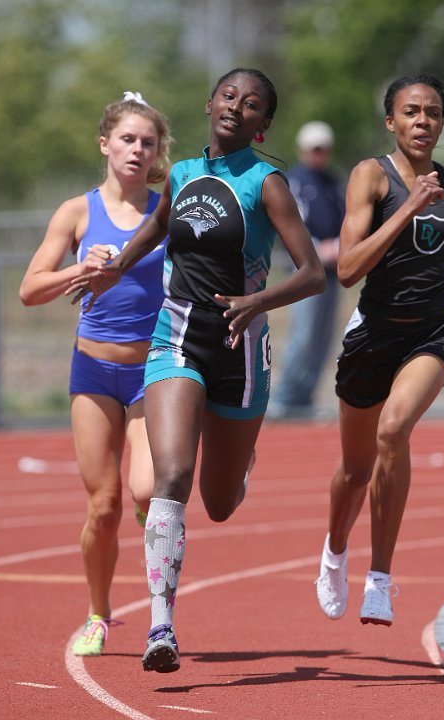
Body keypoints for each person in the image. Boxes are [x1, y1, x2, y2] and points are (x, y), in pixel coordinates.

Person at [67, 67, 326, 672]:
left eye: (252, 104)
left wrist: (257, 302)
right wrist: (115, 266)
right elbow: (158, 226)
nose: (237, 107)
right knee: (172, 473)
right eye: (229, 96)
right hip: (176, 336)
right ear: (210, 103)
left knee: (219, 502)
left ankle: (240, 463)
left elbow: (313, 272)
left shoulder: (268, 184)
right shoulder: (181, 175)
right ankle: (162, 626)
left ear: (265, 124)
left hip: (241, 346)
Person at [315, 74, 444, 628]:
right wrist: (407, 206)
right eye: (411, 112)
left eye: (432, 113)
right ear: (391, 122)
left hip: (429, 331)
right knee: (355, 471)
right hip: (372, 334)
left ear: (442, 123)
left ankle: (379, 578)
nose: (422, 121)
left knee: (393, 430)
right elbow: (349, 268)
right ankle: (334, 552)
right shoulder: (368, 177)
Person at [20, 91, 172, 655]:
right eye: (127, 139)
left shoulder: (166, 212)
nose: (137, 149)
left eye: (147, 142)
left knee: (147, 487)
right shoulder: (77, 212)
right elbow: (29, 289)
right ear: (105, 144)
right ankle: (99, 614)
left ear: (158, 154)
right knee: (103, 507)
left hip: (149, 373)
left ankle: (146, 507)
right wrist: (76, 270)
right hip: (93, 373)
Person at [269, 121, 345, 418]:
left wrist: (340, 246)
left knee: (323, 339)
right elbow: (292, 224)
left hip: (331, 273)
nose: (319, 154)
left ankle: (304, 398)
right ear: (303, 149)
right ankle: (285, 398)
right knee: (303, 336)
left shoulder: (333, 183)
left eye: (324, 149)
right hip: (304, 273)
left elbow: (347, 218)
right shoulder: (295, 181)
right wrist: (316, 248)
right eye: (315, 148)